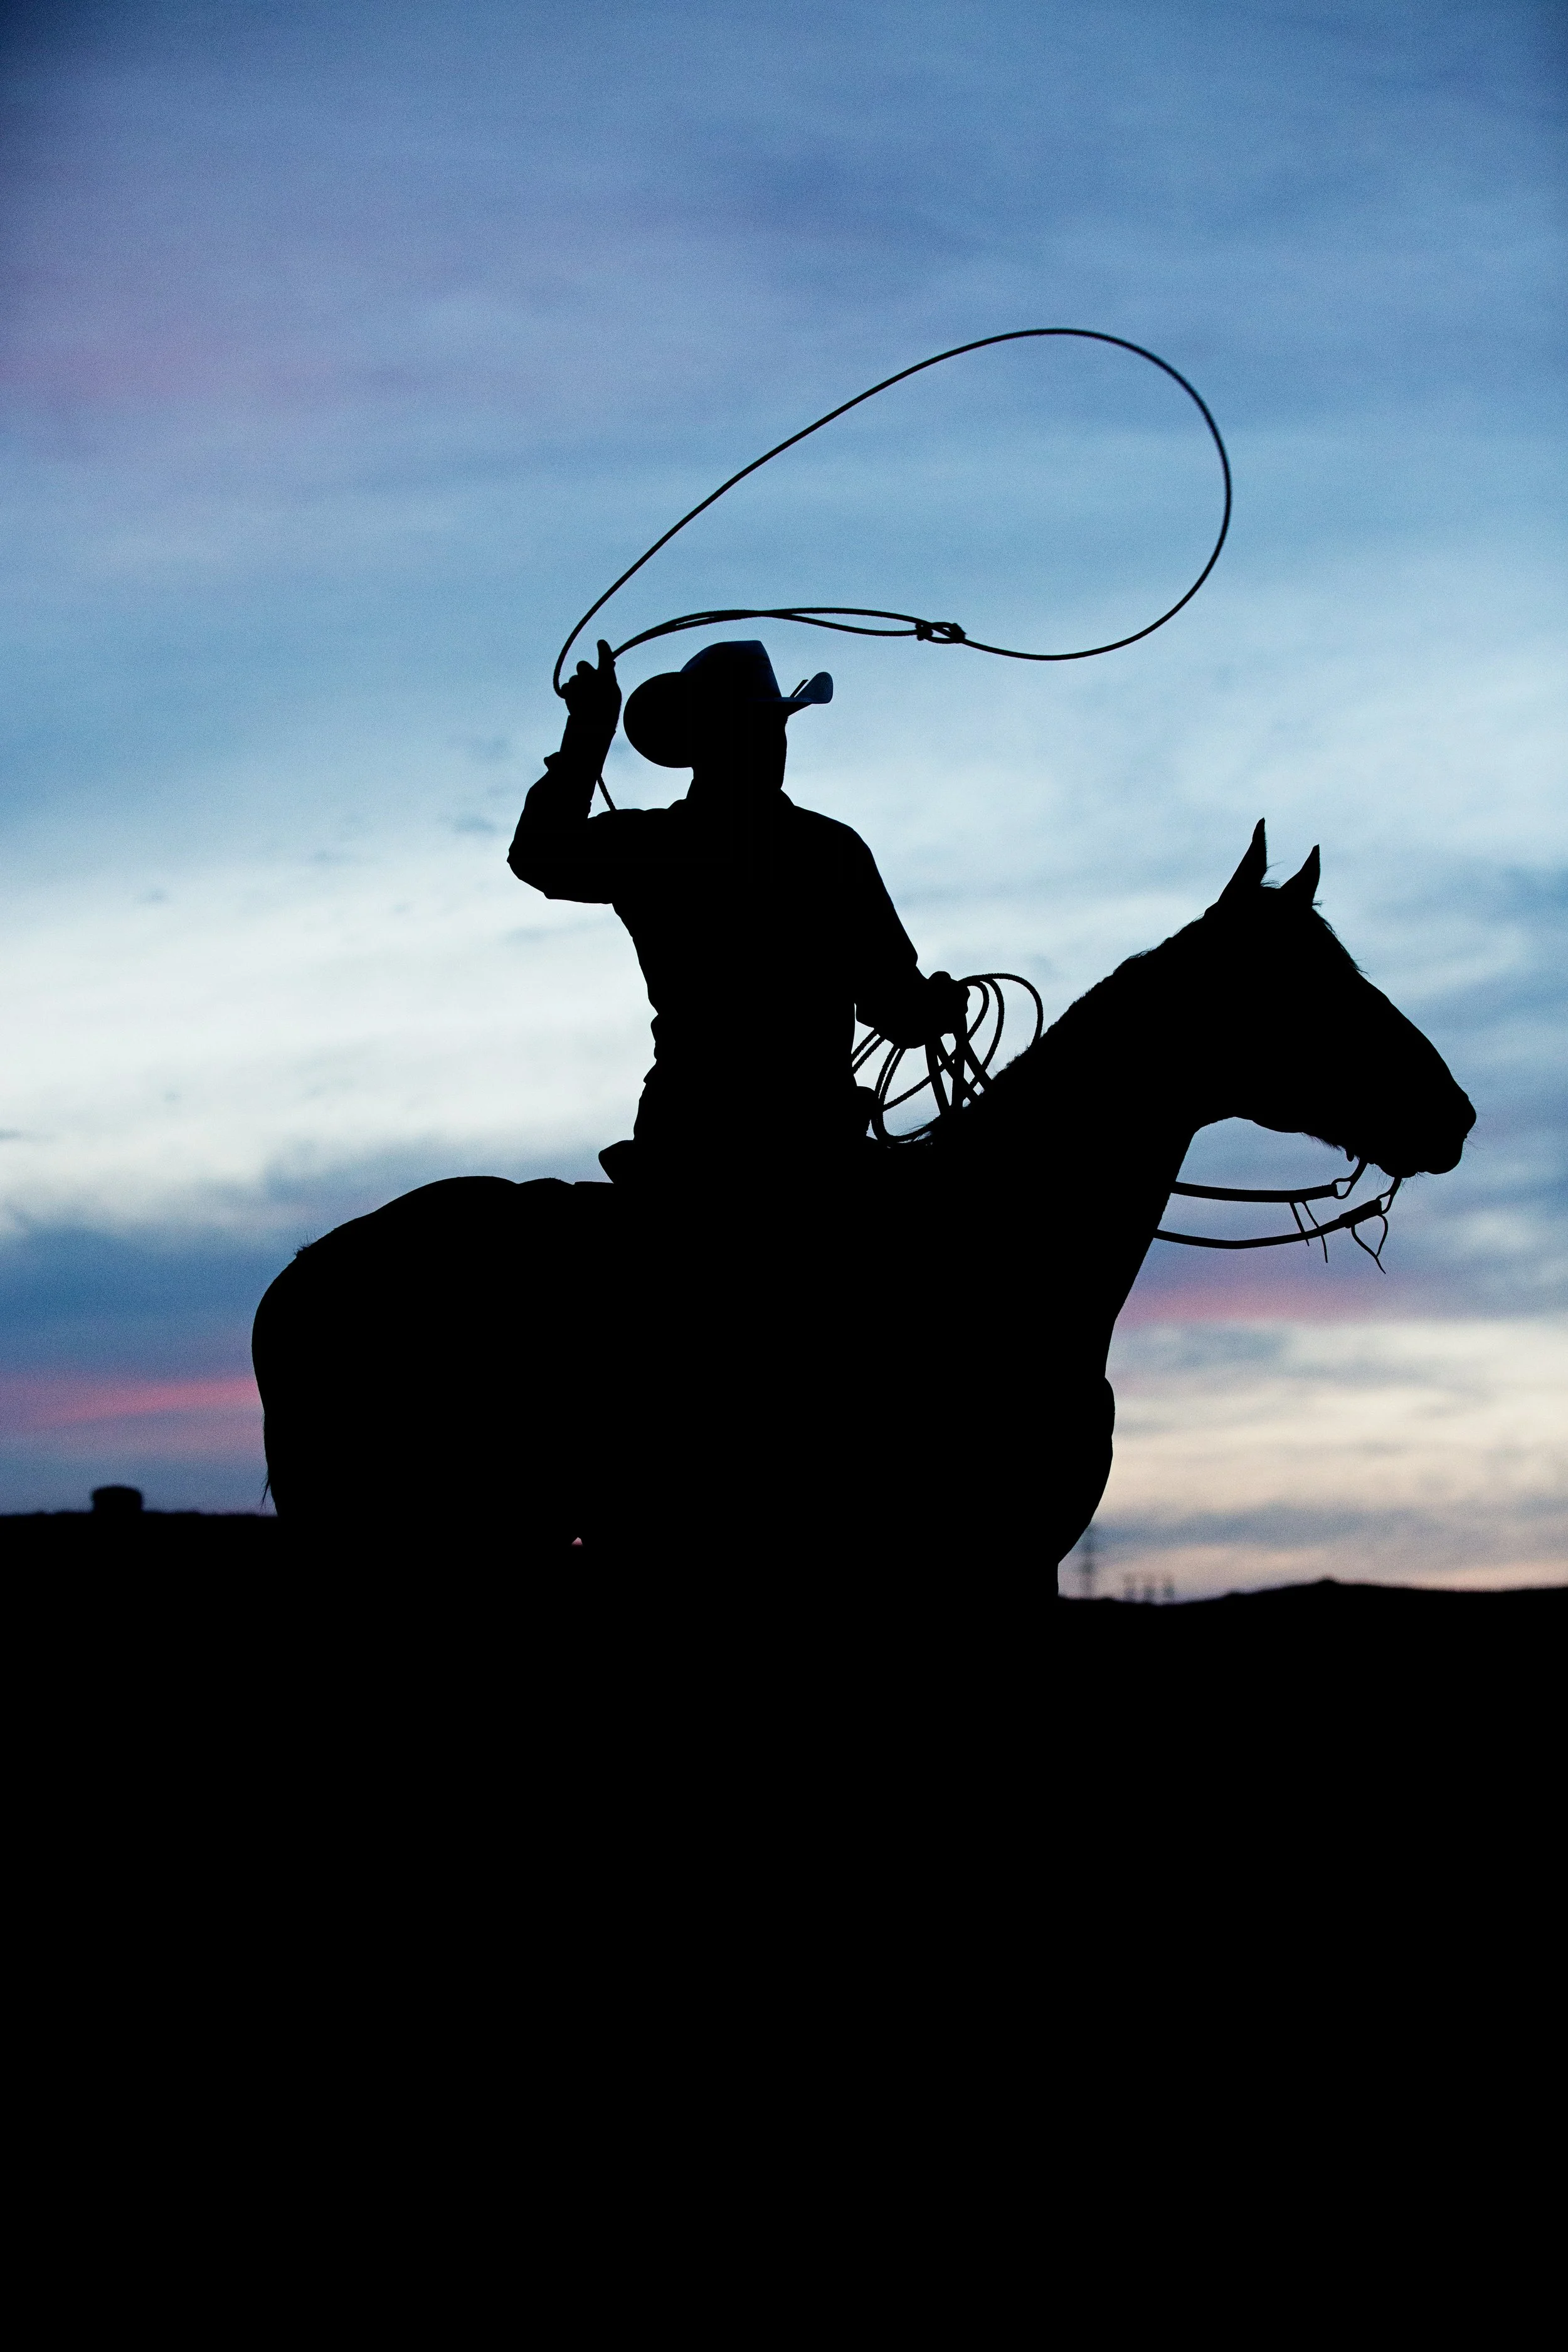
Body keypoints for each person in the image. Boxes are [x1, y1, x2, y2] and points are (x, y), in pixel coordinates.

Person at [509, 637, 966, 1185]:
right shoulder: (828, 849)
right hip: (810, 1144)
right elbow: (898, 1007)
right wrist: (936, 1006)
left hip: (687, 1136)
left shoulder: (651, 844)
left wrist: (588, 732)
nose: (772, 741)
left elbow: (541, 853)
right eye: (760, 726)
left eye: (775, 727)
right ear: (718, 739)